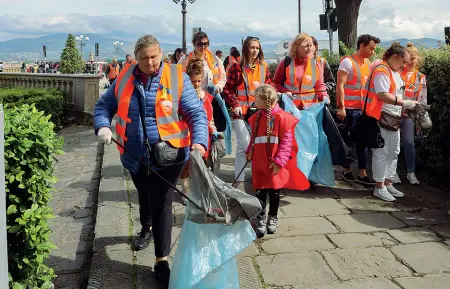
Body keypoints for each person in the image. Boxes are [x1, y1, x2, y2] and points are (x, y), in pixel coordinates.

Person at [93, 34, 208, 288]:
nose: (150, 62)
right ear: (136, 58)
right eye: (144, 58)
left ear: (161, 54)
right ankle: (146, 227)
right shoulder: (124, 77)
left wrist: (200, 141)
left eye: (154, 57)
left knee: (163, 204)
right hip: (134, 154)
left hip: (170, 154)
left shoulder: (177, 77)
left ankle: (161, 260)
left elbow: (196, 113)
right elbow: (103, 106)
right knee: (144, 194)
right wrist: (103, 126)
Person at [246, 85, 310, 237]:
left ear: (265, 101)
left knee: (274, 193)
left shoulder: (282, 118)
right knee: (260, 192)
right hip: (260, 162)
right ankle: (261, 217)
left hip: (274, 164)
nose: (254, 102)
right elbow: (254, 139)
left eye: (257, 99)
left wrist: (279, 162)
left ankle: (272, 217)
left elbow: (286, 143)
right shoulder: (257, 118)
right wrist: (249, 152)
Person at [364, 42, 418, 201]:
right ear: (395, 58)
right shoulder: (382, 70)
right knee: (381, 152)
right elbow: (382, 95)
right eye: (404, 61)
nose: (405, 65)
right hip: (382, 116)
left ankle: (387, 183)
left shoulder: (393, 71)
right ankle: (379, 187)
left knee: (393, 151)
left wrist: (403, 104)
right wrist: (405, 103)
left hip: (393, 117)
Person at [222, 36, 274, 190]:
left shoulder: (264, 67)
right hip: (241, 112)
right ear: (245, 49)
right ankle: (240, 179)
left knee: (261, 145)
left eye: (257, 48)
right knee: (243, 145)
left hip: (260, 112)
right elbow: (227, 90)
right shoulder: (236, 68)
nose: (255, 51)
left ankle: (259, 175)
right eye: (252, 47)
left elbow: (271, 88)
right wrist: (235, 103)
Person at [336, 34, 381, 184]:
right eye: (371, 48)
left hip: (362, 110)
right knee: (347, 141)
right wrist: (341, 107)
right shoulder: (347, 63)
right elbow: (340, 86)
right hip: (348, 109)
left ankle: (362, 173)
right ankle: (346, 170)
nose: (373, 51)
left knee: (362, 142)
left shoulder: (368, 63)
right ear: (362, 45)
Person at [179, 57, 218, 204]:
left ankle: (199, 188)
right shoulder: (183, 96)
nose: (195, 84)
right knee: (186, 164)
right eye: (192, 81)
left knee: (203, 162)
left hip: (203, 134)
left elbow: (211, 117)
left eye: (198, 81)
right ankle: (185, 190)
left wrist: (213, 130)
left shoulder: (207, 97)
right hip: (186, 134)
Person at [392, 42, 427, 185]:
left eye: (414, 58)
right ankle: (392, 172)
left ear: (418, 59)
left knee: (409, 143)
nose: (411, 61)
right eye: (409, 58)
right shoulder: (397, 73)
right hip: (394, 112)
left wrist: (419, 115)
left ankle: (411, 172)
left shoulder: (420, 77)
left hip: (409, 115)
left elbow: (422, 98)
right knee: (393, 144)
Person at [274, 33, 329, 109]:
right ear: (297, 47)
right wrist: (285, 92)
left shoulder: (315, 63)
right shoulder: (286, 62)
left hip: (312, 108)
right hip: (291, 108)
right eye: (306, 46)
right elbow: (276, 82)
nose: (309, 49)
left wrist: (324, 96)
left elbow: (319, 85)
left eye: (310, 45)